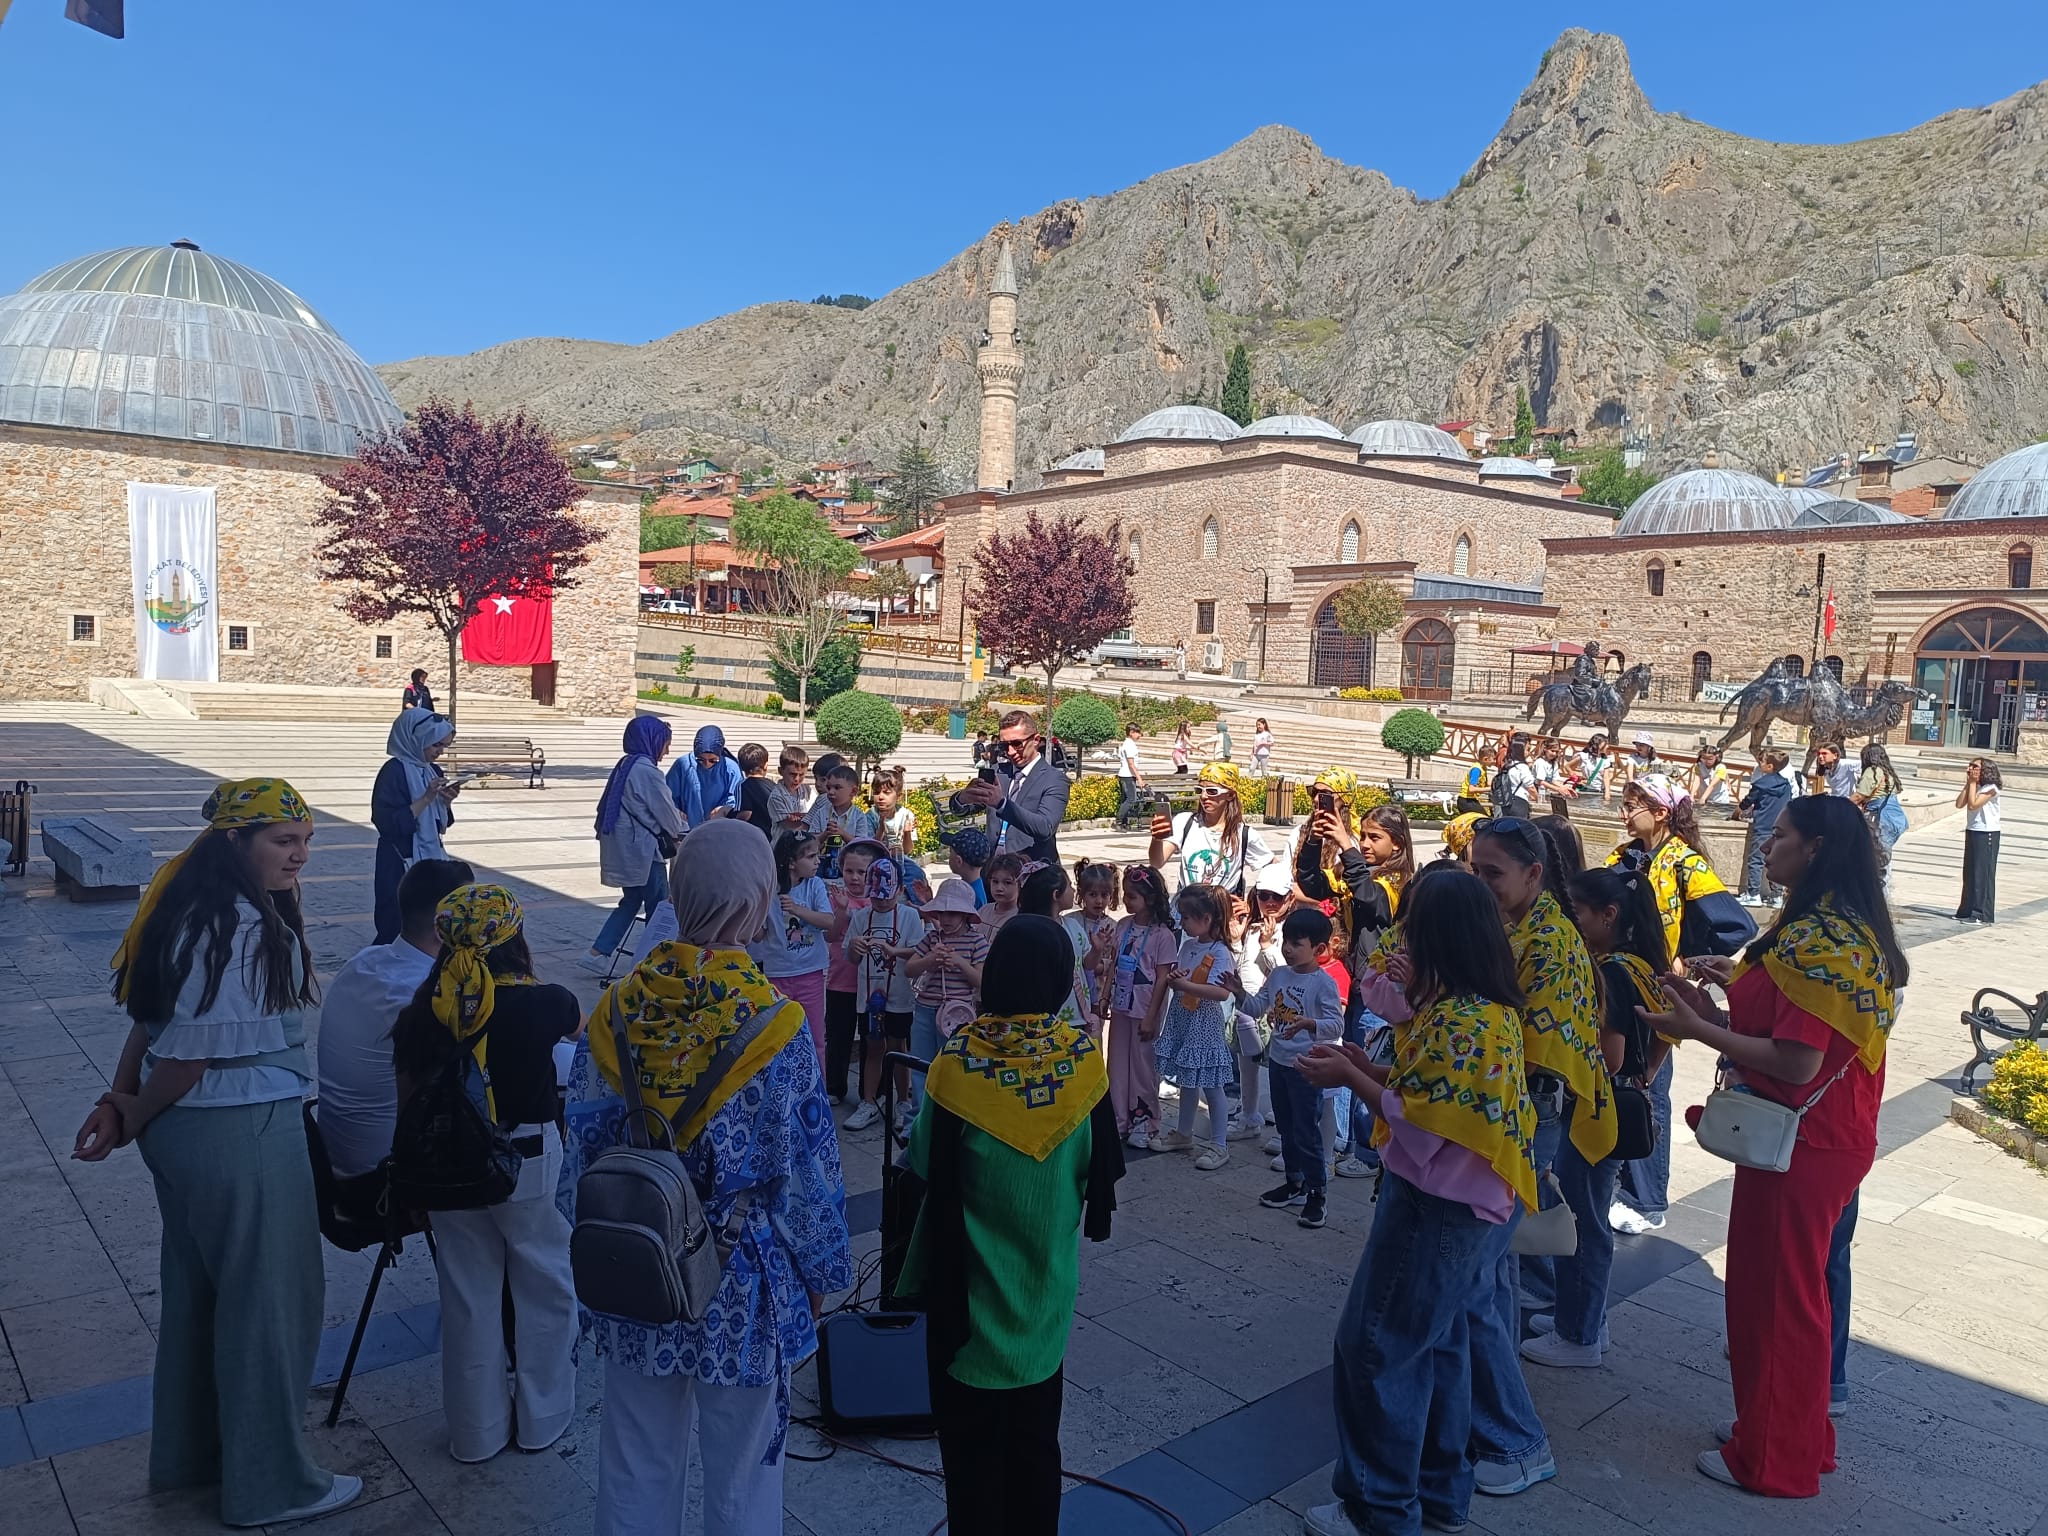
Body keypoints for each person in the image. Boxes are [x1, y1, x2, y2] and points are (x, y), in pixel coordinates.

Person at [73, 779, 361, 1526]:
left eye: (303, 842)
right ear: (234, 842)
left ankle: (197, 1460)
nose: (298, 856)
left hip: (193, 1135)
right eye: (281, 842)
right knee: (270, 1309)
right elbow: (192, 1059)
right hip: (239, 1132)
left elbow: (152, 1018)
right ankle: (270, 1487)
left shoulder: (183, 905)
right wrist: (134, 1107)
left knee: (204, 1302)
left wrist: (122, 1102)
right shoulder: (234, 925)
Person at [567, 820, 854, 1534]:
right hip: (742, 1280)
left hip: (637, 1262)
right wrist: (822, 1273)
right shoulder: (775, 1026)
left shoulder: (614, 1013)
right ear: (760, 902)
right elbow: (809, 1173)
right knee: (743, 1468)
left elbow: (580, 1156)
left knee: (634, 1455)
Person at [1640, 795, 1904, 1497]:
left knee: (1783, 1301)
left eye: (1779, 835)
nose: (1765, 845)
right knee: (1775, 1295)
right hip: (1805, 1135)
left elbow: (1796, 1063)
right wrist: (1708, 1010)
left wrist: (1700, 1032)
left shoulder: (1827, 941)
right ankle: (1787, 1434)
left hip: (1809, 1139)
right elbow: (1786, 1034)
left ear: (1814, 848)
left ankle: (1775, 1462)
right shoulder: (1824, 928)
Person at [1294, 867, 1537, 1536]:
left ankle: (1380, 1507)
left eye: (1412, 931)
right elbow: (1426, 1087)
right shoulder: (1479, 1007)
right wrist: (1363, 1065)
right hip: (1468, 1200)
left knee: (1376, 1348)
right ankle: (1436, 1496)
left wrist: (1350, 1076)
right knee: (1440, 1345)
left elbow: (1427, 1118)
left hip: (1438, 1204)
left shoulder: (1462, 1017)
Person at [897, 916, 1125, 1536]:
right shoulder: (1083, 1066)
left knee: (971, 1464)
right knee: (1035, 1450)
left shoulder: (956, 1067)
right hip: (1044, 1299)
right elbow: (1098, 1170)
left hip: (967, 1305)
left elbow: (921, 1162)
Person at [391, 885, 581, 1463]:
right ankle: (541, 1418)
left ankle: (475, 1433)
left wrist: (407, 1178)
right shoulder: (549, 1002)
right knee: (544, 1284)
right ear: (514, 936)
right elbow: (576, 1041)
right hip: (525, 1159)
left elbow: (408, 1101)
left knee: (468, 1294)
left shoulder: (421, 1011)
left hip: (447, 1165)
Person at [1464, 817, 1612, 1495]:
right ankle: (1480, 1408)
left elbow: (1528, 1049)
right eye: (1476, 871)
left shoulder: (1548, 942)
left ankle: (1517, 1438)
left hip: (1523, 1116)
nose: (1481, 885)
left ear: (1533, 874)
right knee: (1487, 1280)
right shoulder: (1517, 928)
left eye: (1493, 873)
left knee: (1475, 1282)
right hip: (1504, 1114)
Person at [1523, 865, 1667, 1369]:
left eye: (1579, 912)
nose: (1573, 921)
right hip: (1619, 1102)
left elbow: (1608, 1054)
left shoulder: (1608, 972)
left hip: (1595, 1109)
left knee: (1584, 1219)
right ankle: (1584, 1316)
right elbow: (1663, 1035)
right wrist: (1645, 1074)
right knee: (1588, 1211)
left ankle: (1578, 1334)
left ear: (1608, 915)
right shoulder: (1643, 966)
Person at [1604, 773, 1725, 1236]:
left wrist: (1688, 959)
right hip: (1619, 981)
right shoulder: (1626, 855)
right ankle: (1622, 1181)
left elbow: (1730, 923)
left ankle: (1649, 1198)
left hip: (1660, 988)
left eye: (1632, 804)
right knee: (1622, 1079)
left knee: (1650, 1089)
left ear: (1659, 812)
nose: (1623, 811)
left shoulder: (1684, 861)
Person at [316, 856, 475, 1178]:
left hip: (335, 1156)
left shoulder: (365, 960)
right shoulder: (422, 995)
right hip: (383, 1174)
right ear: (442, 927)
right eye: (473, 915)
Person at [1230, 906, 1345, 1228]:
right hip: (1279, 1061)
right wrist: (1237, 991)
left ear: (1319, 949)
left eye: (1298, 944)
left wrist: (1310, 1024)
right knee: (1285, 1126)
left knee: (1306, 1131)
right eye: (1287, 942)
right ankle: (1294, 1182)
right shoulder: (1279, 974)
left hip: (1308, 1067)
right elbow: (1256, 1007)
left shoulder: (1323, 984)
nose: (1289, 949)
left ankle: (1316, 1193)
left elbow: (1336, 1025)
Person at [584, 717, 685, 973]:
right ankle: (653, 961)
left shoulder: (626, 764)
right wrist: (680, 826)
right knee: (660, 906)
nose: (667, 751)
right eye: (665, 744)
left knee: (630, 902)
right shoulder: (646, 771)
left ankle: (598, 952)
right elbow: (666, 813)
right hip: (642, 852)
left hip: (625, 849)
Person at [1150, 884, 1239, 1169]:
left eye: (1187, 916)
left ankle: (1219, 1143)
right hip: (1183, 1018)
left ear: (1208, 918)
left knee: (1212, 1085)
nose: (1183, 922)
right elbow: (1183, 973)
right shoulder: (1189, 945)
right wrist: (1179, 977)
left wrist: (1185, 984)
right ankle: (1184, 1132)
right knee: (1188, 1080)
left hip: (1204, 1022)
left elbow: (1222, 992)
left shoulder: (1221, 951)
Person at [844, 854, 926, 1138]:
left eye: (885, 897)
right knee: (873, 1046)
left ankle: (903, 1101)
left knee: (898, 1046)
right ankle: (869, 1102)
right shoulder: (859, 916)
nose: (879, 901)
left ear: (900, 891)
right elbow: (851, 957)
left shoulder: (909, 915)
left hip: (899, 996)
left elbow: (918, 951)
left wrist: (894, 951)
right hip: (868, 995)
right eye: (875, 897)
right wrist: (854, 949)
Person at [371, 708, 460, 945]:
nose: (440, 752)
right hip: (399, 861)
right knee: (396, 923)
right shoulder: (394, 771)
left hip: (430, 857)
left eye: (444, 746)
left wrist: (445, 801)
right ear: (417, 739)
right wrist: (427, 798)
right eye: (436, 746)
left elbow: (440, 823)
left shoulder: (431, 769)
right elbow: (388, 823)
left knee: (429, 923)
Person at [1108, 866, 1178, 1148]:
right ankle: (1118, 1119)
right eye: (1126, 894)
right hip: (1121, 1006)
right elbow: (1113, 964)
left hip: (1145, 1008)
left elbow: (1162, 978)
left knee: (1143, 1067)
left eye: (1132, 895)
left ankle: (1145, 1123)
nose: (1126, 900)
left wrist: (1151, 1017)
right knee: (1117, 1064)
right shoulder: (1122, 925)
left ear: (1149, 898)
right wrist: (1103, 998)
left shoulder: (1163, 936)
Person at [754, 830, 834, 1062]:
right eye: (810, 857)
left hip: (810, 973)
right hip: (777, 974)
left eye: (817, 855)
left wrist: (797, 909)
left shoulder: (815, 885)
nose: (817, 861)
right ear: (790, 863)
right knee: (778, 1039)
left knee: (816, 1037)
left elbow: (828, 921)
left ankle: (818, 1094)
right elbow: (759, 936)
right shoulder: (769, 891)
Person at [906, 880, 989, 1101]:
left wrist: (960, 963)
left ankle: (948, 1115)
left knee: (953, 1066)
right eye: (941, 912)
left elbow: (982, 981)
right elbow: (909, 969)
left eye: (953, 913)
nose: (946, 919)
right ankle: (916, 1118)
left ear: (965, 915)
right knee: (920, 1063)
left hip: (958, 1012)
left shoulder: (976, 941)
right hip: (925, 1008)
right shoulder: (932, 938)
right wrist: (930, 960)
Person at [953, 709, 1072, 864]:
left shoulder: (1054, 779)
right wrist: (962, 799)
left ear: (1036, 740)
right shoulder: (998, 772)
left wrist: (1002, 805)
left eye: (1017, 744)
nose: (1010, 751)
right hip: (993, 871)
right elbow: (963, 809)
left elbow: (1045, 827)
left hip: (1033, 873)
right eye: (1004, 745)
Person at [1151, 760, 1274, 895]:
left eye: (1212, 791)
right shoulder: (1185, 822)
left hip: (1222, 913)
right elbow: (1157, 862)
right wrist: (1157, 839)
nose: (1204, 796)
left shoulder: (1244, 834)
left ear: (1230, 795)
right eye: (1200, 790)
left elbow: (1275, 869)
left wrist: (1253, 902)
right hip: (1185, 912)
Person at [822, 840, 881, 1105]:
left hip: (872, 984)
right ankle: (834, 1087)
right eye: (849, 871)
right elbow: (830, 935)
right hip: (840, 981)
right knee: (838, 1037)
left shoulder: (881, 902)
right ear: (841, 870)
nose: (855, 878)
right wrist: (843, 912)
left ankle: (872, 1093)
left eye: (863, 872)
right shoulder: (834, 898)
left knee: (872, 1039)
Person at [1737, 749, 1794, 906]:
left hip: (1763, 827)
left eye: (1761, 761)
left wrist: (1739, 811)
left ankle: (1753, 894)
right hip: (1780, 828)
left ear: (1769, 766)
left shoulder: (1761, 784)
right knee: (1777, 861)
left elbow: (1748, 801)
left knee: (1756, 860)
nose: (1759, 764)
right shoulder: (1786, 784)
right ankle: (1777, 896)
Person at [805, 761, 879, 881]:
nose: (831, 792)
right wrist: (825, 834)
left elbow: (862, 846)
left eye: (837, 787)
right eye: (828, 787)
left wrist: (843, 834)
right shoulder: (821, 812)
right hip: (822, 863)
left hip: (849, 867)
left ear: (853, 792)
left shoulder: (859, 816)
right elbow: (811, 844)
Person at [1955, 757, 2002, 923]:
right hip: (1973, 830)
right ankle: (1966, 910)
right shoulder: (1976, 786)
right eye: (1970, 765)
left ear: (1985, 770)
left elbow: (1973, 805)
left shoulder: (1991, 788)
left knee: (1982, 874)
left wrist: (1974, 784)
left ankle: (1981, 913)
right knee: (1969, 872)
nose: (1970, 768)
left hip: (1987, 833)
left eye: (1975, 766)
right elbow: (1959, 803)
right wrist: (1969, 783)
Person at [668, 724, 744, 825]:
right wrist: (676, 811)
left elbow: (736, 797)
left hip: (719, 827)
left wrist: (724, 809)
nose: (706, 764)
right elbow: (668, 795)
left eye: (712, 760)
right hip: (687, 827)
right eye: (701, 760)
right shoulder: (683, 765)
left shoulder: (730, 768)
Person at [1851, 743, 1904, 885]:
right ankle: (1883, 892)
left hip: (1878, 819)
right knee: (1883, 856)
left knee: (1872, 857)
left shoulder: (1872, 772)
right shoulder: (1888, 773)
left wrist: (1840, 806)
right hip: (1894, 819)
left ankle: (1875, 891)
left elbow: (1859, 796)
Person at [872, 766, 918, 857]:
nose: (880, 797)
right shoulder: (870, 816)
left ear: (899, 796)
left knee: (916, 871)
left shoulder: (906, 815)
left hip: (901, 859)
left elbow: (907, 850)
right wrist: (881, 829)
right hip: (877, 859)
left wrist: (907, 832)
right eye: (876, 792)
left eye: (886, 793)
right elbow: (871, 849)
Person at [767, 745, 814, 830]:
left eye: (801, 775)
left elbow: (818, 814)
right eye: (792, 774)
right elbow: (788, 825)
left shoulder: (808, 791)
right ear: (781, 771)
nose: (797, 779)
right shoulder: (777, 796)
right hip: (785, 841)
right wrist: (808, 816)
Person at [1492, 733, 1537, 818]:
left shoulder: (1508, 764)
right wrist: (1537, 797)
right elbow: (1531, 787)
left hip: (1507, 801)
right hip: (1519, 802)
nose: (1529, 753)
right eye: (1527, 750)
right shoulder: (1522, 767)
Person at [735, 742, 775, 837]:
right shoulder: (773, 785)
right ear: (765, 765)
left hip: (755, 835)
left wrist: (732, 823)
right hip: (773, 834)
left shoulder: (743, 785)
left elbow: (746, 813)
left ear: (741, 766)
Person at [944, 826, 990, 904]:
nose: (949, 855)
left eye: (950, 852)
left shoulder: (969, 896)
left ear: (959, 861)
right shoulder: (975, 888)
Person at [1114, 724, 1147, 829]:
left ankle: (1124, 822)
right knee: (1131, 799)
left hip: (1124, 775)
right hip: (1127, 775)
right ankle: (1118, 821)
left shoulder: (1127, 744)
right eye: (1138, 733)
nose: (1139, 735)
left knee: (1125, 799)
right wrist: (1139, 778)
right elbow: (1131, 764)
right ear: (1131, 732)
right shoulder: (1129, 745)